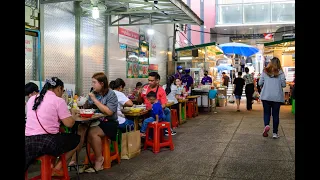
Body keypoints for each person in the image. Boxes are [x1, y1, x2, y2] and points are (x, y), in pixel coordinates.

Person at [25, 77, 80, 175]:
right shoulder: (58, 100)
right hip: (47, 143)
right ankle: (57, 168)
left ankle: (51, 166)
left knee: (60, 133)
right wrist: (74, 116)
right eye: (62, 90)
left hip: (28, 142)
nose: (62, 93)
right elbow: (69, 124)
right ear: (58, 88)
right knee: (77, 139)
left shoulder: (31, 99)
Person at [70, 72, 119, 173]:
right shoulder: (94, 92)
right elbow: (88, 108)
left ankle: (99, 159)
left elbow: (109, 112)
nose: (92, 85)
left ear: (102, 83)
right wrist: (85, 104)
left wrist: (94, 99)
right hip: (95, 120)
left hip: (109, 122)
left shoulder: (111, 94)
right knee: (80, 130)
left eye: (94, 82)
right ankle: (74, 160)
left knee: (92, 133)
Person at [137, 72, 176, 136]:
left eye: (152, 81)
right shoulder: (145, 88)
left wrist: (154, 108)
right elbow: (139, 101)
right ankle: (165, 129)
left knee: (166, 110)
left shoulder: (161, 90)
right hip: (145, 110)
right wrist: (139, 93)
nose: (149, 82)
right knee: (166, 111)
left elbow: (163, 105)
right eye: (149, 80)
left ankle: (166, 129)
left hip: (154, 111)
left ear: (157, 81)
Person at [259, 57, 286, 139]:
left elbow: (260, 82)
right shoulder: (281, 72)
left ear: (270, 63)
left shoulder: (265, 71)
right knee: (276, 115)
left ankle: (267, 125)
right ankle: (275, 133)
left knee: (266, 113)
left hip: (266, 96)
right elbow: (284, 84)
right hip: (277, 97)